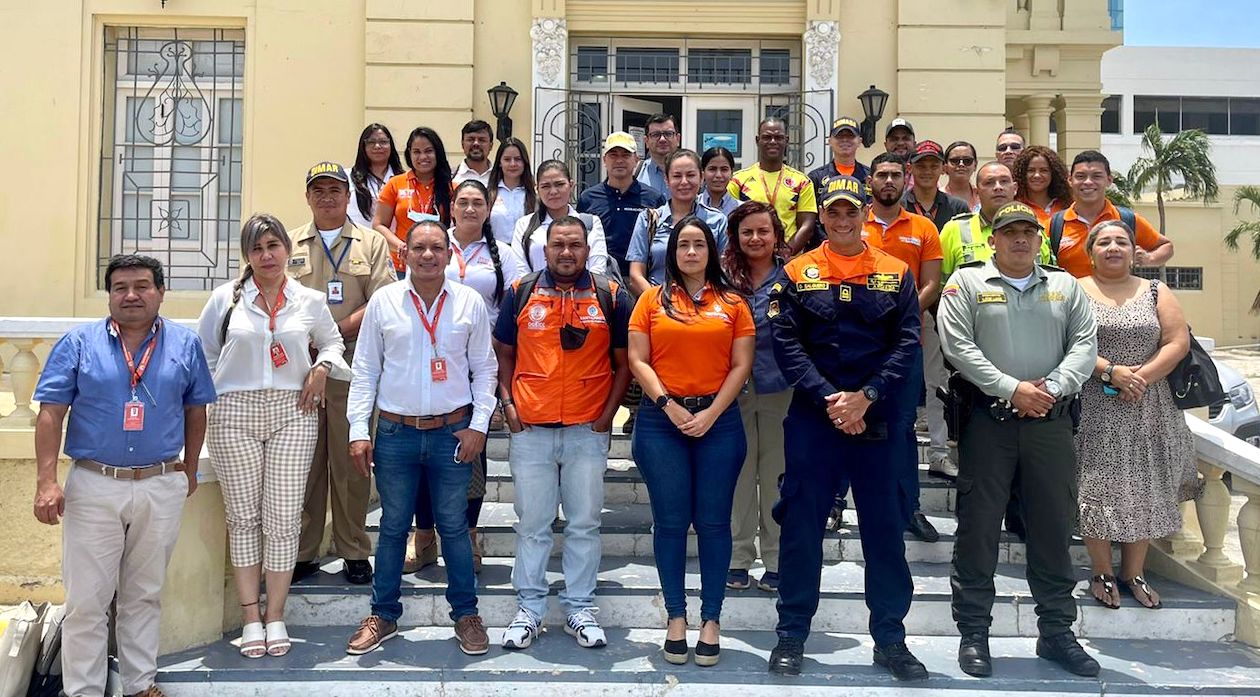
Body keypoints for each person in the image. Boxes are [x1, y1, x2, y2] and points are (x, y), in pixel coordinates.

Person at [765, 175, 926, 681]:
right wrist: (830, 399)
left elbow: (907, 341)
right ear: (824, 218)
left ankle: (891, 639)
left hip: (877, 420)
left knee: (883, 533)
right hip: (816, 418)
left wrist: (867, 396)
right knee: (801, 528)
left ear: (863, 215)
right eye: (832, 213)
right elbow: (785, 342)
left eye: (849, 212)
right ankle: (791, 634)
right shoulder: (797, 272)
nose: (840, 220)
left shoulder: (894, 272)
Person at [33, 255, 216, 697]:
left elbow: (197, 409)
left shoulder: (184, 345)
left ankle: (139, 685)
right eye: (120, 287)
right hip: (94, 485)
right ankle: (84, 691)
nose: (130, 295)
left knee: (144, 594)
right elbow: (51, 413)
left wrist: (189, 468)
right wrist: (46, 481)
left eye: (141, 286)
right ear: (109, 294)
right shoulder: (78, 343)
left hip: (159, 484)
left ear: (160, 291)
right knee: (86, 602)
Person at [938, 201, 1100, 679]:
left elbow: (1084, 347)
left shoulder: (1065, 286)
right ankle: (973, 632)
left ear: (1039, 238)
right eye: (1010, 233)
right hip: (989, 422)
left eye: (1028, 231)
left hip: (1050, 422)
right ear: (994, 239)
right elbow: (957, 347)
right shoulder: (967, 282)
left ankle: (1056, 633)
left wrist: (1047, 390)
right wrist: (1013, 389)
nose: (1020, 240)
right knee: (978, 529)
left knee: (1051, 528)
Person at [197, 213, 351, 659]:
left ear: (287, 249)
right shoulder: (225, 299)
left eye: (273, 246)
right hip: (234, 412)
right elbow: (204, 355)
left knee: (283, 519)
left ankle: (276, 614)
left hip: (294, 410)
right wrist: (216, 401)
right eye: (257, 248)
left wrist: (322, 367)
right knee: (243, 518)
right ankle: (250, 617)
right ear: (247, 255)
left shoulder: (308, 299)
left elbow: (334, 342)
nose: (267, 256)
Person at [344, 220, 497, 657]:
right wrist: (359, 431)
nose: (427, 255)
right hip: (396, 433)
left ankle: (466, 614)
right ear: (404, 254)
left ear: (449, 255)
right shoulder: (384, 302)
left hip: (453, 431)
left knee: (454, 527)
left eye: (436, 248)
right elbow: (365, 371)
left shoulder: (468, 302)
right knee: (393, 527)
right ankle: (384, 614)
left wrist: (479, 425)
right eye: (418, 248)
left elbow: (485, 369)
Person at [493, 215, 633, 650]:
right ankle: (530, 608)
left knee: (584, 524)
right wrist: (510, 406)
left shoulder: (610, 295)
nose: (567, 252)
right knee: (532, 524)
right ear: (545, 249)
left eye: (575, 245)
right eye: (559, 245)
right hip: (531, 429)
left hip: (585, 429)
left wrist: (606, 416)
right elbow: (502, 354)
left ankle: (579, 607)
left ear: (587, 249)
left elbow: (626, 363)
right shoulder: (521, 292)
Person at [628, 215, 754, 667]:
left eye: (699, 244)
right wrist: (671, 407)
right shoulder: (650, 301)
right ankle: (676, 617)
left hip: (719, 422)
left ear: (712, 251)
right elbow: (639, 359)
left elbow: (741, 366)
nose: (691, 252)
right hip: (663, 420)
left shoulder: (733, 303)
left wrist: (710, 413)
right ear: (672, 252)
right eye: (683, 244)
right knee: (671, 522)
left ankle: (712, 619)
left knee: (715, 522)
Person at [405, 180, 527, 576]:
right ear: (451, 207)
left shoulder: (503, 255)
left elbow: (517, 301)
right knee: (422, 455)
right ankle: (423, 537)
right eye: (464, 202)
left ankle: (468, 535)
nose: (471, 209)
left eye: (479, 203)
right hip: (425, 360)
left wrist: (494, 344)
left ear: (489, 209)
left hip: (478, 362)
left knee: (470, 454)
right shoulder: (433, 245)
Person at [1074, 220, 1198, 610]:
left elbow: (1177, 341)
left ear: (1134, 251)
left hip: (1148, 405)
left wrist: (1138, 378)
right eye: (1104, 242)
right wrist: (1111, 371)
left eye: (1122, 242)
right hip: (1095, 404)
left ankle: (1134, 573)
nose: (1114, 248)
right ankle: (1102, 572)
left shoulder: (1157, 291)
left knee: (1142, 488)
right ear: (1090, 251)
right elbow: (1064, 343)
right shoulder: (1074, 290)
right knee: (1096, 487)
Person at [288, 163, 396, 587]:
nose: (327, 198)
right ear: (308, 197)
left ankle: (353, 548)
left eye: (335, 190)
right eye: (319, 191)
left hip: (353, 366)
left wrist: (333, 333)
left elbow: (383, 298)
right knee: (305, 464)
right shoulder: (290, 242)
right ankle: (303, 551)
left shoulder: (370, 243)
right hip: (301, 369)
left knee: (352, 464)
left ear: (348, 196)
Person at [863, 152, 945, 536]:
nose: (889, 181)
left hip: (904, 341)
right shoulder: (851, 221)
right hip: (854, 344)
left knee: (902, 426)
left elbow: (931, 283)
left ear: (906, 179)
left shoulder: (923, 227)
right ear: (870, 181)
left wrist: (901, 312)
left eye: (896, 174)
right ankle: (832, 504)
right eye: (882, 175)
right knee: (843, 422)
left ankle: (908, 508)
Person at [721, 201, 791, 594]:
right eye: (747, 231)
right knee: (741, 476)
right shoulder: (723, 279)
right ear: (736, 237)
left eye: (763, 231)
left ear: (776, 235)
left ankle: (778, 558)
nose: (755, 238)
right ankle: (738, 557)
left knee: (778, 475)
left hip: (782, 388)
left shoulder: (793, 277)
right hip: (733, 391)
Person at [1053, 150, 1174, 278]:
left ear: (1109, 180)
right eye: (1081, 176)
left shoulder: (1126, 219)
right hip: (1071, 297)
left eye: (1096, 176)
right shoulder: (1055, 224)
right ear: (1070, 180)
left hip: (1118, 297)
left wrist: (1149, 258)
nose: (1088, 182)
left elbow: (1166, 246)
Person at [627, 149, 730, 295]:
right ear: (667, 180)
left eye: (690, 175)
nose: (684, 182)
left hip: (704, 307)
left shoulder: (718, 221)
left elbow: (723, 273)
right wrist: (661, 304)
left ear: (701, 178)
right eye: (677, 176)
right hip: (658, 306)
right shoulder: (648, 219)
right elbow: (636, 275)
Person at [940, 162, 1053, 279]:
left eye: (1004, 181)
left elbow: (1047, 280)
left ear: (1015, 188)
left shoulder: (1035, 230)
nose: (998, 187)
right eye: (989, 182)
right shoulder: (955, 229)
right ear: (977, 192)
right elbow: (941, 285)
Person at [578, 131, 666, 278]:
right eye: (613, 155)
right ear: (604, 160)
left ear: (636, 159)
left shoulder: (653, 198)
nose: (619, 160)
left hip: (641, 278)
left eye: (626, 155)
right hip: (600, 278)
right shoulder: (588, 198)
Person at [729, 117, 818, 255]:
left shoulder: (802, 182)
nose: (772, 142)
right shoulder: (737, 181)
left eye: (778, 137)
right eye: (767, 137)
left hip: (788, 262)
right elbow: (731, 223)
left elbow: (807, 226)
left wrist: (786, 252)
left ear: (786, 140)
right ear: (757, 140)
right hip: (749, 257)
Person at [374, 127, 454, 275]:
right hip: (401, 266)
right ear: (409, 154)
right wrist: (402, 247)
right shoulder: (395, 184)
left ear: (438, 153)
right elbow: (379, 225)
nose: (423, 157)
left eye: (429, 151)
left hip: (437, 266)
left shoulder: (452, 188)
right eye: (417, 152)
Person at [512, 159, 609, 275]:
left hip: (585, 292)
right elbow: (520, 270)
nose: (553, 191)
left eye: (559, 184)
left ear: (571, 185)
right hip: (537, 292)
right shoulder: (524, 224)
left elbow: (597, 268)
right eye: (545, 186)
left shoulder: (590, 223)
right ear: (537, 189)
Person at [807, 116, 873, 251]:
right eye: (839, 136)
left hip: (862, 249)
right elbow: (812, 220)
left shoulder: (870, 176)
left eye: (850, 136)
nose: (845, 141)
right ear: (829, 141)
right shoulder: (816, 177)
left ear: (859, 141)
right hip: (823, 252)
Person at [904, 140, 971, 231]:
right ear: (909, 168)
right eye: (921, 166)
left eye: (934, 166)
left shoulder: (958, 208)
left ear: (943, 169)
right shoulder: (898, 205)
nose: (927, 171)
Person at [348, 123, 403, 231]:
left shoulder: (404, 179)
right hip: (359, 244)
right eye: (371, 142)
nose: (377, 146)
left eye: (383, 142)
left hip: (394, 245)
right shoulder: (348, 177)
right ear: (363, 147)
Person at [488, 137, 537, 243]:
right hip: (496, 253)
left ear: (524, 162)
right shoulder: (488, 194)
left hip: (525, 254)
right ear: (499, 162)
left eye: (518, 159)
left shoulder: (535, 195)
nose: (513, 164)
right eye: (507, 159)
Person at [1013, 145, 1072, 227]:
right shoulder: (1015, 207)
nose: (1037, 175)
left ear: (1053, 174)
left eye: (1044, 170)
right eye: (1031, 170)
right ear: (1022, 173)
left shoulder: (1067, 205)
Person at [635, 113, 680, 196]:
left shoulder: (690, 174)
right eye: (655, 135)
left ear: (678, 139)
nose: (662, 139)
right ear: (646, 141)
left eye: (668, 134)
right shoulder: (635, 173)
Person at [699, 146, 741, 217]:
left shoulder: (741, 209)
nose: (718, 175)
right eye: (712, 169)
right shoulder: (692, 206)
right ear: (703, 173)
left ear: (732, 173)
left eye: (724, 169)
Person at [943, 141, 981, 213]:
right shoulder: (938, 198)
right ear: (945, 166)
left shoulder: (983, 195)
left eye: (967, 160)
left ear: (975, 165)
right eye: (955, 160)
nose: (961, 164)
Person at [453, 120, 494, 186]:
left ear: (491, 146)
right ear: (462, 144)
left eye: (482, 140)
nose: (476, 143)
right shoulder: (450, 178)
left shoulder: (501, 177)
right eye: (470, 139)